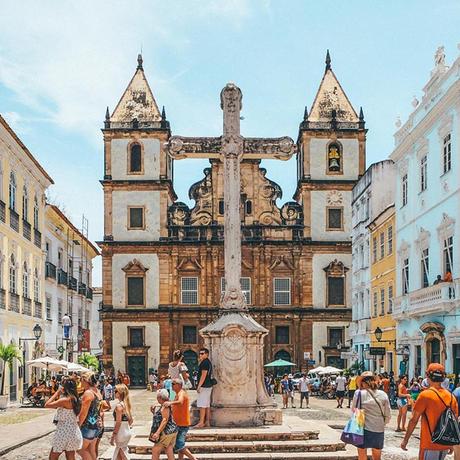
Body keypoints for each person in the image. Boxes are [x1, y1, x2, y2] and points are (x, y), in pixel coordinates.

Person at [401, 363, 459, 460]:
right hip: (444, 443)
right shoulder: (451, 397)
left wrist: (405, 440)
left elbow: (413, 420)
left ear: (428, 376)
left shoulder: (425, 395)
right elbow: (454, 422)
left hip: (429, 443)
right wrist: (452, 444)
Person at [352, 371, 391, 460]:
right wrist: (382, 423)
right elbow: (388, 414)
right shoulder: (383, 394)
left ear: (363, 382)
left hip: (363, 429)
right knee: (377, 457)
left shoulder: (359, 393)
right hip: (378, 429)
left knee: (362, 456)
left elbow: (354, 410)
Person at [45, 378, 83, 459]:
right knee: (70, 456)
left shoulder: (65, 400)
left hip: (63, 431)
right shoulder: (77, 400)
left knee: (53, 457)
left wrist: (57, 392)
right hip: (74, 431)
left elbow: (47, 404)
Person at [163, 379, 197, 460]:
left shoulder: (181, 393)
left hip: (182, 424)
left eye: (173, 384)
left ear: (178, 385)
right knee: (180, 445)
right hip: (179, 423)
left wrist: (170, 403)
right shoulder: (177, 394)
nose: (171, 385)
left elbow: (180, 401)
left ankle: (194, 459)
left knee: (179, 445)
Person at [78, 371, 103, 460]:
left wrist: (77, 426)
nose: (80, 383)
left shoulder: (88, 393)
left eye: (81, 380)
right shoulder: (97, 392)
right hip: (97, 424)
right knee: (91, 449)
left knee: (80, 449)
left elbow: (83, 413)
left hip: (88, 425)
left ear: (85, 380)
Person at [150, 389, 178, 460]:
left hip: (166, 432)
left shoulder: (165, 406)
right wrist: (153, 412)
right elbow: (161, 417)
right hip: (172, 431)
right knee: (169, 450)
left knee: (155, 450)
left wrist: (157, 432)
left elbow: (164, 420)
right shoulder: (165, 404)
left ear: (159, 398)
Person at [111, 384, 133, 460]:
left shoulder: (119, 406)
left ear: (120, 393)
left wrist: (113, 435)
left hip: (121, 433)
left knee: (123, 455)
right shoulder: (126, 405)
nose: (114, 392)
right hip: (126, 431)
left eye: (115, 391)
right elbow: (131, 420)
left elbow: (118, 422)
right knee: (119, 455)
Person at [195, 347, 213, 428]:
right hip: (208, 386)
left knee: (202, 405)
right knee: (207, 405)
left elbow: (203, 375)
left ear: (207, 354)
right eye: (200, 353)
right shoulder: (207, 362)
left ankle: (201, 422)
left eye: (202, 354)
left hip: (204, 386)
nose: (200, 355)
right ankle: (207, 422)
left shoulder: (204, 363)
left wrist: (199, 386)